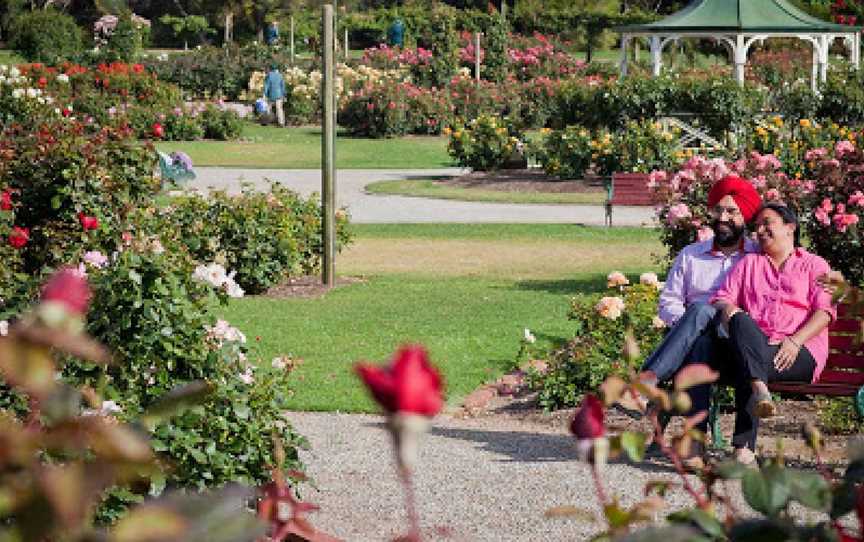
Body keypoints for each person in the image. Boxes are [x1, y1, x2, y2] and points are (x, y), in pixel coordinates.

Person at [710, 203, 836, 465]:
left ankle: (743, 450)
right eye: (757, 226)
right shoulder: (749, 264)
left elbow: (825, 312)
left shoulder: (815, 265)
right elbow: (722, 299)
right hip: (758, 345)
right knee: (739, 320)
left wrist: (794, 341)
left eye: (768, 223)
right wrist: (729, 309)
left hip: (801, 351)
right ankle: (759, 389)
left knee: (748, 360)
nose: (761, 230)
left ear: (790, 227)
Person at [626, 175, 762, 405]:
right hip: (694, 343)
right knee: (700, 337)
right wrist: (690, 326)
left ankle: (645, 383)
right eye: (718, 210)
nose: (723, 218)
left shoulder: (757, 257)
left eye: (732, 212)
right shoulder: (691, 255)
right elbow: (669, 301)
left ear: (745, 216)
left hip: (737, 345)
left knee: (701, 309)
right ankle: (695, 439)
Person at [263, 63, 286, 127]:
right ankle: (281, 123)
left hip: (271, 95)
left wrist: (265, 94)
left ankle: (266, 121)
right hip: (279, 95)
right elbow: (283, 86)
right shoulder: (280, 76)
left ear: (270, 69)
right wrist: (284, 94)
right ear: (277, 69)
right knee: (279, 109)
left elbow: (266, 86)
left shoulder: (269, 75)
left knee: (268, 108)